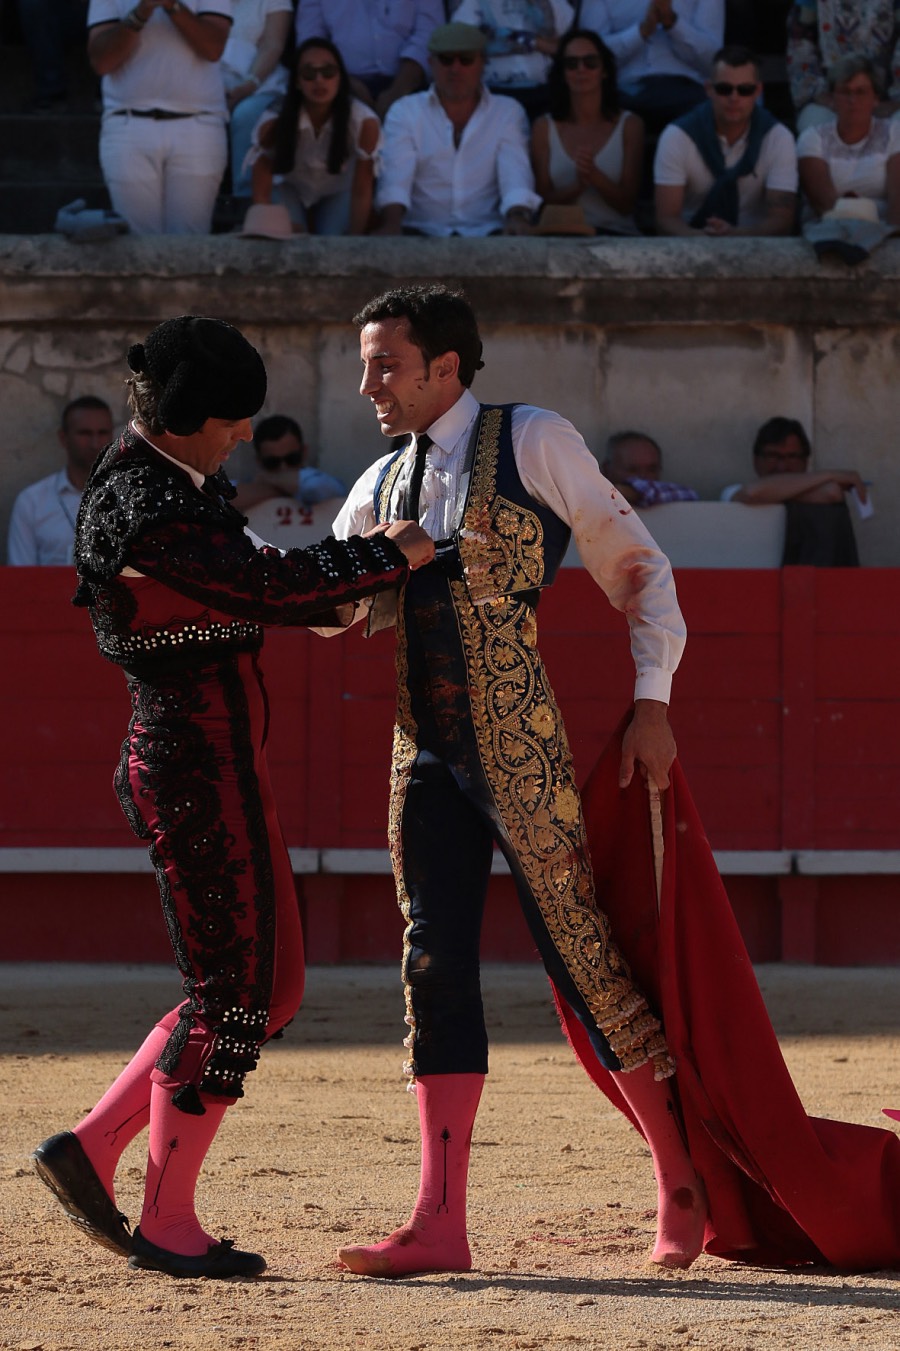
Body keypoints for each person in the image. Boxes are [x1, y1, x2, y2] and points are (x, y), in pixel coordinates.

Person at [30, 316, 433, 1279]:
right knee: (236, 995)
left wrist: (342, 582)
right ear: (185, 416)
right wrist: (386, 555)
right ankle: (167, 1221)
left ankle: (90, 1148)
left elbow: (262, 585)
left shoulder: (173, 482)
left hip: (214, 760)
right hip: (192, 764)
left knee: (270, 985)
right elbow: (263, 586)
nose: (243, 435)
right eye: (232, 419)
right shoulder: (144, 504)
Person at [322, 283, 709, 1280]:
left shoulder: (534, 438)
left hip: (516, 740)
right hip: (422, 754)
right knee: (432, 963)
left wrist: (654, 700)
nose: (369, 384)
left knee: (581, 948)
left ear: (445, 366)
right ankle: (438, 1218)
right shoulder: (379, 480)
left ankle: (681, 1187)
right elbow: (326, 609)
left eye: (386, 365)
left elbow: (640, 569)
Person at [374, 22, 541, 236]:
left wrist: (518, 217)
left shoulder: (507, 112)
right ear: (431, 64)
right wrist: (391, 224)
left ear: (482, 63)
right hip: (420, 233)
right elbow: (396, 176)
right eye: (446, 60)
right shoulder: (405, 111)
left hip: (488, 232)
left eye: (466, 60)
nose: (455, 68)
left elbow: (515, 172)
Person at [86, 0, 231, 235]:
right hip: (128, 125)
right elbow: (102, 61)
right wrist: (142, 11)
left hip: (197, 125)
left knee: (189, 246)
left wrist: (172, 5)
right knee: (136, 247)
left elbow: (213, 47)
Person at [654, 45, 798, 237]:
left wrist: (735, 235)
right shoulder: (677, 136)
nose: (734, 98)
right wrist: (707, 241)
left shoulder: (778, 138)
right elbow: (666, 219)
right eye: (724, 89)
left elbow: (781, 221)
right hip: (691, 243)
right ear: (708, 89)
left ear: (758, 91)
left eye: (745, 90)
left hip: (755, 247)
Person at [249, 38, 381, 235]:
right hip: (288, 187)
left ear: (340, 78)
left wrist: (354, 245)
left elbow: (362, 190)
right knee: (290, 247)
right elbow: (261, 187)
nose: (319, 80)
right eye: (309, 73)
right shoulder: (272, 122)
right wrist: (273, 224)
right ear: (297, 82)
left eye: (328, 72)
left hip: (340, 190)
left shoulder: (364, 122)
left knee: (335, 249)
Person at [531, 28, 644, 236]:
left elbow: (627, 204)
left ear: (604, 70)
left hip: (616, 237)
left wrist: (594, 176)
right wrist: (577, 186)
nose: (581, 69)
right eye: (571, 64)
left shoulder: (630, 125)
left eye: (590, 62)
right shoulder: (543, 128)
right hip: (559, 238)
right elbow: (542, 202)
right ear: (562, 73)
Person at [721, 416, 865, 565]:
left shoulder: (818, 492)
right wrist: (831, 474)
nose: (782, 466)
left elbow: (832, 491)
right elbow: (752, 493)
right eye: (773, 456)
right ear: (756, 460)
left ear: (805, 461)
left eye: (792, 457)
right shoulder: (734, 491)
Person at [580, 0, 724, 134]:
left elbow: (712, 62)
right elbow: (590, 54)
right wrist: (641, 32)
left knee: (716, 113)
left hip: (688, 90)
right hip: (625, 91)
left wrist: (673, 23)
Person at [7, 397, 114, 566]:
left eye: (102, 433)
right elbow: (21, 578)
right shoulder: (32, 502)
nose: (95, 443)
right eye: (85, 433)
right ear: (63, 438)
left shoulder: (127, 497)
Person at [295, 0, 445, 119]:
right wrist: (347, 84)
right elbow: (310, 41)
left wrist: (398, 90)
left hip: (411, 86)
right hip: (339, 87)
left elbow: (431, 35)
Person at [797, 55, 900, 226]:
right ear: (831, 99)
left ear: (875, 99)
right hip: (830, 232)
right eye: (845, 92)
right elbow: (826, 207)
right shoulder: (812, 139)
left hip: (885, 233)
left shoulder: (894, 133)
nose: (853, 101)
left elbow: (898, 203)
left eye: (861, 92)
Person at [450, 0, 575, 121]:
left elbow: (560, 35)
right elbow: (465, 38)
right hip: (497, 93)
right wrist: (536, 42)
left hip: (544, 90)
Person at [787, 0, 900, 133]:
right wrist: (821, 94)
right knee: (817, 129)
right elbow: (800, 45)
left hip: (886, 98)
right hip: (829, 97)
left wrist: (893, 101)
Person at [221, 0, 292, 200]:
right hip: (205, 83)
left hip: (259, 84)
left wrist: (248, 85)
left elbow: (273, 45)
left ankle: (246, 201)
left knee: (247, 115)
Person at [232, 414, 347, 512]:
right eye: (272, 462)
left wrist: (271, 480)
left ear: (304, 452)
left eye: (292, 459)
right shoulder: (250, 483)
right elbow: (228, 498)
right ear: (259, 461)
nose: (283, 467)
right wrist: (287, 487)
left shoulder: (317, 479)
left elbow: (318, 489)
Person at [602, 430, 698, 505]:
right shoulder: (592, 504)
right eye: (632, 470)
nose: (643, 477)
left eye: (651, 470)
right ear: (607, 471)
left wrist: (633, 492)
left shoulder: (666, 501)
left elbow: (689, 495)